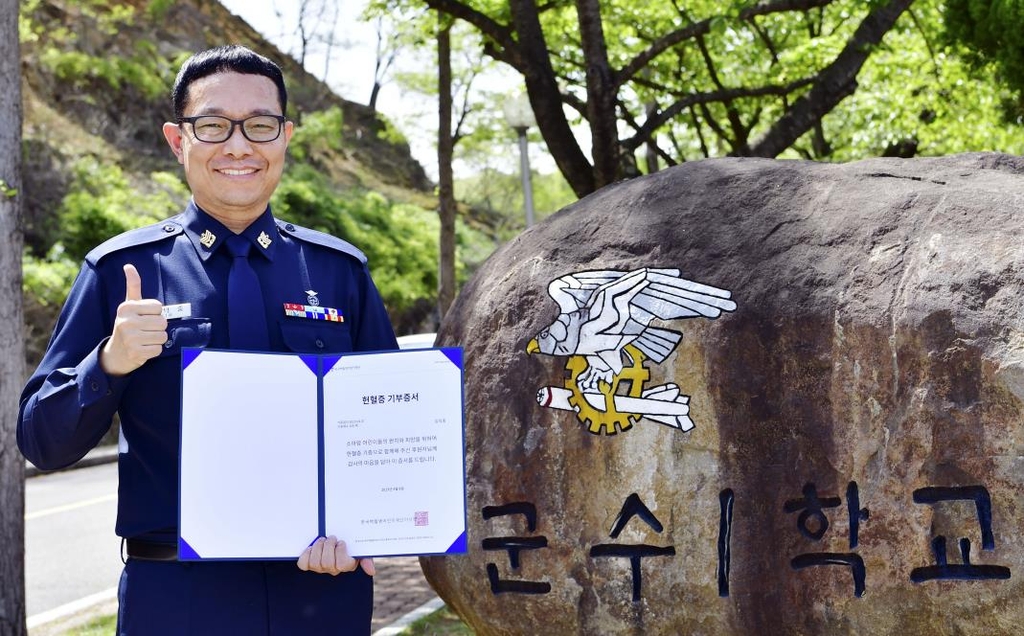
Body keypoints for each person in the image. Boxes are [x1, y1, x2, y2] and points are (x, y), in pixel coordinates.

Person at [18, 45, 398, 634]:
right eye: (214, 125)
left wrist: (371, 530)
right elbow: (42, 442)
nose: (240, 146)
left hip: (321, 590)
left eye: (261, 126)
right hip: (178, 600)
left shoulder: (339, 273)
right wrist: (110, 363)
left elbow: (390, 428)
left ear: (286, 137)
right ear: (178, 140)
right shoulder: (120, 271)